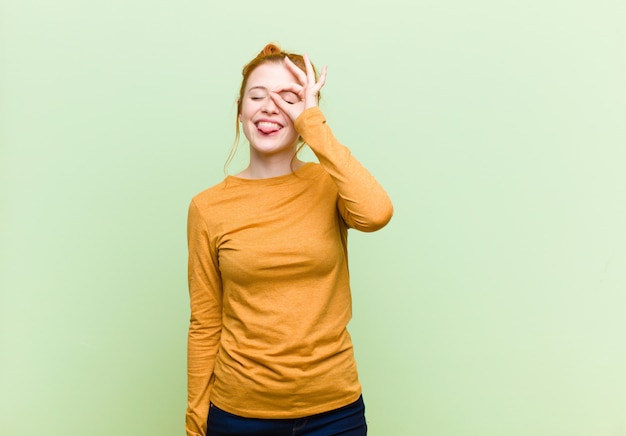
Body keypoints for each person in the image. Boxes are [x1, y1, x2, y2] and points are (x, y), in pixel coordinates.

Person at [186, 43, 393, 436]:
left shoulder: (329, 185)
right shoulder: (208, 207)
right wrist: (196, 422)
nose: (269, 107)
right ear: (240, 108)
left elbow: (376, 213)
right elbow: (205, 322)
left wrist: (312, 123)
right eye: (258, 96)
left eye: (289, 98)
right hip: (239, 415)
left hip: (335, 411)